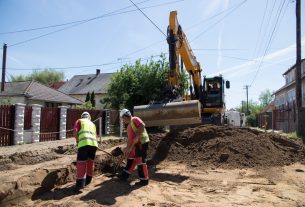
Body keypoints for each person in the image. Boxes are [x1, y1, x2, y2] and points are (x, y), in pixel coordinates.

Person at [119, 108, 150, 186]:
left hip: (142, 142)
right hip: (136, 144)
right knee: (132, 158)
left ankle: (144, 180)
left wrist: (137, 136)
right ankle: (125, 175)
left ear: (125, 116)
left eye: (122, 118)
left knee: (140, 160)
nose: (123, 120)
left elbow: (142, 126)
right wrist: (127, 149)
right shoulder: (129, 126)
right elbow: (130, 140)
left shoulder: (135, 119)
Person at [73, 111, 98, 191]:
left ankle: (80, 184)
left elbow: (75, 132)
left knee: (81, 163)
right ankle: (88, 180)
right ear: (89, 117)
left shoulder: (79, 121)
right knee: (90, 162)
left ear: (82, 116)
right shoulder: (92, 124)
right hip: (94, 144)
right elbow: (95, 135)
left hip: (83, 144)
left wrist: (77, 141)